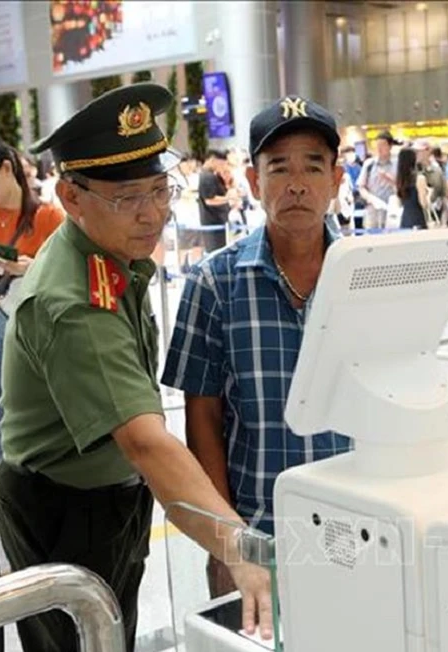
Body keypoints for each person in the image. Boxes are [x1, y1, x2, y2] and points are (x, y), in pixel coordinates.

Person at [0, 83, 275, 652]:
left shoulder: (108, 256)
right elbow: (146, 441)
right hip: (64, 506)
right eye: (127, 198)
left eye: (159, 189)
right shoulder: (74, 302)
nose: (153, 213)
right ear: (72, 195)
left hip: (107, 494)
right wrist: (242, 550)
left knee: (108, 648)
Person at [161, 95, 353, 595]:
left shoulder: (366, 274)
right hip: (259, 535)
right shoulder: (214, 283)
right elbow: (202, 420)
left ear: (336, 179)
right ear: (253, 181)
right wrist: (228, 545)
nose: (297, 184)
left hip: (356, 528)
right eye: (279, 167)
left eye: (313, 166)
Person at [0, 134, 63, 476]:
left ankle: (36, 481)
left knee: (34, 408)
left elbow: (66, 275)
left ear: (7, 168)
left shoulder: (49, 217)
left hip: (33, 328)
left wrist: (30, 268)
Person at [357, 130, 399, 228]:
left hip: (392, 210)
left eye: (383, 145)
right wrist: (370, 198)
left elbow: (403, 187)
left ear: (390, 146)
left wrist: (391, 180)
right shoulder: (369, 164)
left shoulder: (397, 164)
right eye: (377, 145)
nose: (379, 148)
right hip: (373, 211)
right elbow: (361, 187)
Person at [397, 147, 429, 230]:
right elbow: (423, 203)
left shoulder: (400, 180)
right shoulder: (420, 178)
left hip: (405, 219)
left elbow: (400, 202)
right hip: (418, 219)